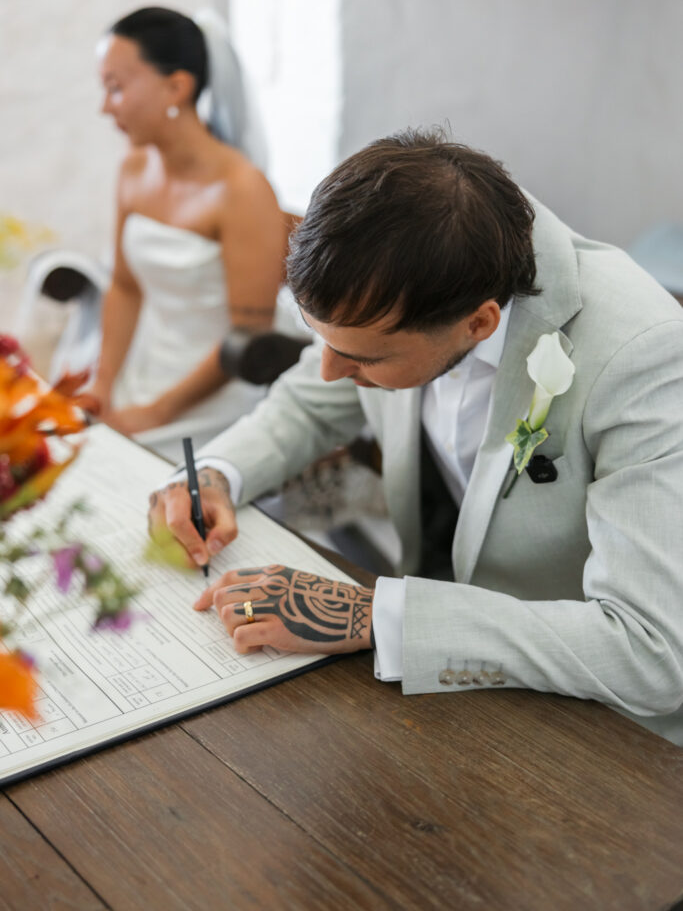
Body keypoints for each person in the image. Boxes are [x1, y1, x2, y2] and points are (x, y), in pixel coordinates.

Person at [148, 129, 683, 745]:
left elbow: (653, 654)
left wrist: (375, 615)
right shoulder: (408, 257)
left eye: (361, 359)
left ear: (478, 323)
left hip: (596, 730)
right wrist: (217, 474)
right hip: (431, 689)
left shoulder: (642, 359)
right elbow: (308, 402)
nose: (328, 369)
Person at [90, 6, 288, 457]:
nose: (105, 107)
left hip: (214, 391)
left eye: (115, 88)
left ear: (176, 86)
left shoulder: (242, 189)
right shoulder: (133, 168)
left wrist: (158, 412)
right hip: (144, 369)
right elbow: (124, 286)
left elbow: (249, 333)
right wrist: (103, 382)